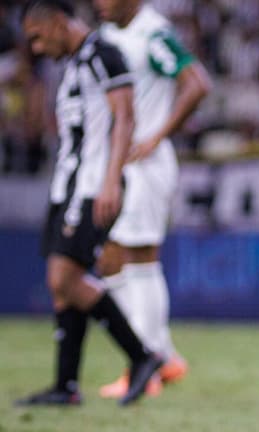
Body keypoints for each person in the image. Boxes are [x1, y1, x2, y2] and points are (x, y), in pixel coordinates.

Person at [16, 0, 163, 407]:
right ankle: (66, 386)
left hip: (93, 186)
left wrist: (111, 179)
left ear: (58, 23)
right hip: (68, 187)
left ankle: (143, 355)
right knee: (59, 285)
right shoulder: (76, 64)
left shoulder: (103, 54)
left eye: (38, 37)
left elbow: (125, 117)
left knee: (66, 278)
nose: (38, 48)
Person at [91, 0, 211, 398]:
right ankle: (162, 355)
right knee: (109, 257)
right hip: (116, 160)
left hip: (145, 163)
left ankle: (144, 366)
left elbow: (197, 83)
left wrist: (157, 135)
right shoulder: (108, 34)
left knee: (139, 255)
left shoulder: (152, 34)